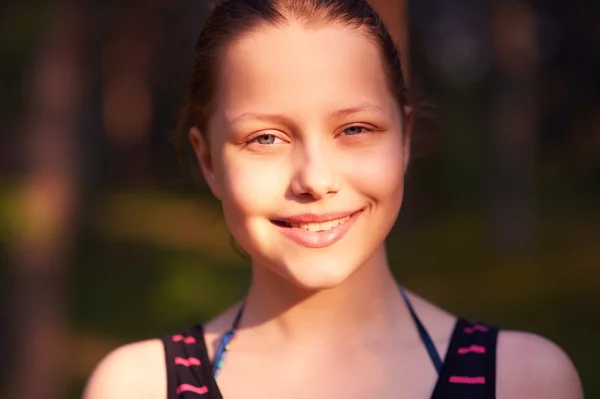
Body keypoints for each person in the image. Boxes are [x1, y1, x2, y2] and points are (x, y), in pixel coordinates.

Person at [83, 0, 583, 398]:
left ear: (404, 139)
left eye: (355, 129)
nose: (316, 179)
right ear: (209, 161)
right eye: (265, 138)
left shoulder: (524, 382)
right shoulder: (138, 387)